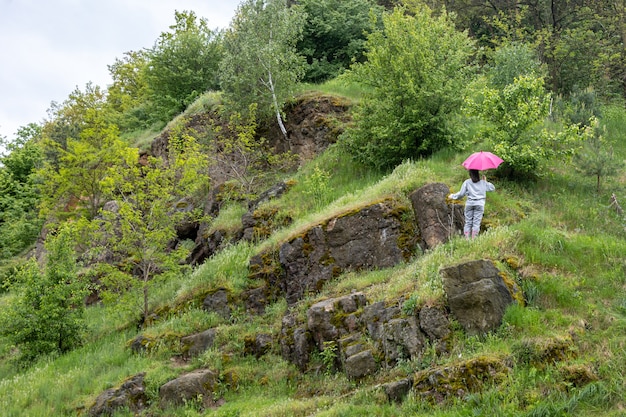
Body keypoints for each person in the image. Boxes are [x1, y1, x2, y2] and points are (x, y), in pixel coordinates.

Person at [449, 169, 495, 239]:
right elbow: (492, 188)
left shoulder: (467, 182)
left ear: (470, 174)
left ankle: (467, 239)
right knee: (476, 223)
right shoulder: (483, 182)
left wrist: (452, 196)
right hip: (480, 205)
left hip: (469, 204)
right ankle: (474, 239)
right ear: (478, 173)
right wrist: (485, 181)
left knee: (468, 223)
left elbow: (461, 194)